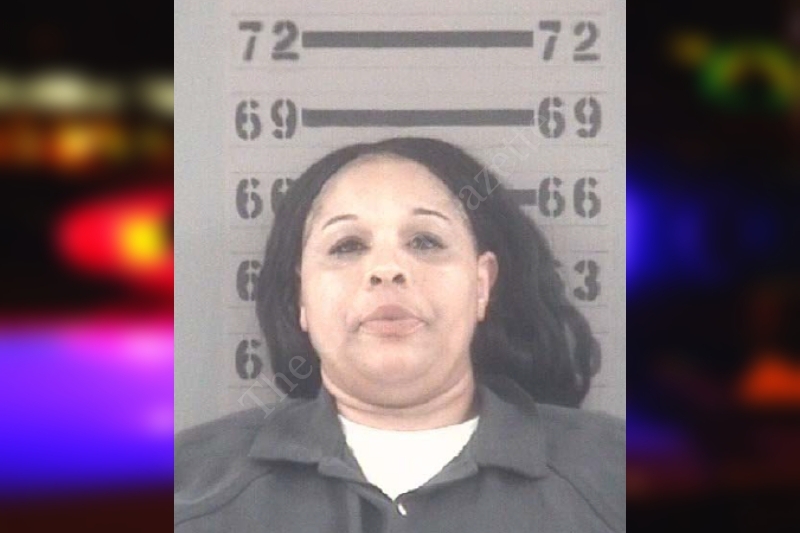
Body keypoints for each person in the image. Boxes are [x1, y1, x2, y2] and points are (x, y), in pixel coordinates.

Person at [174, 137, 625, 532]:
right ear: (301, 298)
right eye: (347, 246)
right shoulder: (185, 488)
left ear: (481, 285)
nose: (387, 269)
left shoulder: (614, 475)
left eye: (425, 241)